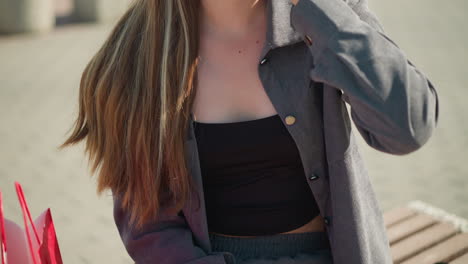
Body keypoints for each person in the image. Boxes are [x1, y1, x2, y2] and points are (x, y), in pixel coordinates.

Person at [59, 0, 439, 263]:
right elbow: (146, 225)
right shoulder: (132, 58)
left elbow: (408, 127)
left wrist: (323, 16)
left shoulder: (326, 16)